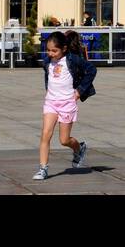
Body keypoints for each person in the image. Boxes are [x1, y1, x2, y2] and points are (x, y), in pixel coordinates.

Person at [32, 30, 97, 180]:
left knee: (64, 140)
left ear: (64, 49)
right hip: (51, 103)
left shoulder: (72, 60)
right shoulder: (47, 62)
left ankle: (79, 148)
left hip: (67, 103)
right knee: (45, 135)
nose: (50, 53)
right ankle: (43, 168)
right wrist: (48, 90)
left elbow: (91, 70)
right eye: (48, 50)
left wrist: (80, 91)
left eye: (54, 51)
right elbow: (48, 76)